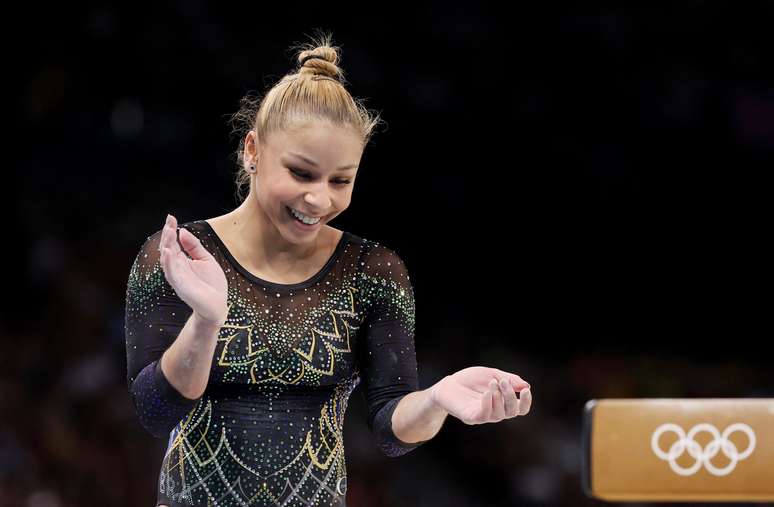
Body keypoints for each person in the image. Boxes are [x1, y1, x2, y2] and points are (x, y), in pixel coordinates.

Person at [124, 31, 532, 507]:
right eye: (301, 173)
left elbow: (390, 429)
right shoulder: (179, 257)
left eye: (341, 181)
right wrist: (207, 321)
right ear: (252, 150)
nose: (320, 198)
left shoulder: (373, 271)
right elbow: (155, 412)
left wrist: (438, 399)